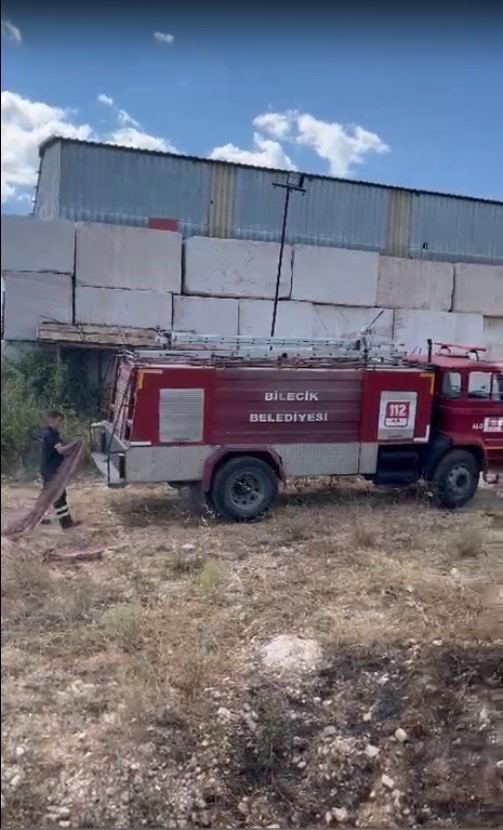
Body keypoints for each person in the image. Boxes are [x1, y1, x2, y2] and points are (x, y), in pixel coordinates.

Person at [39, 409, 80, 530]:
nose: (60, 423)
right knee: (59, 496)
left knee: (48, 495)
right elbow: (61, 450)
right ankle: (66, 523)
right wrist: (74, 444)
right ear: (51, 420)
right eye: (58, 420)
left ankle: (42, 517)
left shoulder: (49, 433)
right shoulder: (50, 435)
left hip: (48, 469)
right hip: (51, 471)